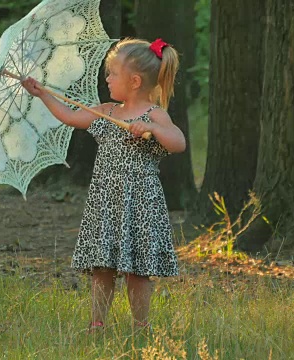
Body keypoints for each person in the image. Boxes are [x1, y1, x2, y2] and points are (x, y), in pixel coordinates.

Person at [21, 37, 185, 332]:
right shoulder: (106, 112)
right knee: (101, 267)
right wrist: (42, 93)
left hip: (139, 203)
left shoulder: (154, 115)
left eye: (112, 73)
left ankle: (141, 326)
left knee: (137, 270)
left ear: (134, 81)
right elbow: (70, 116)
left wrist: (151, 128)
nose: (107, 78)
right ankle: (97, 323)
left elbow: (179, 143)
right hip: (106, 202)